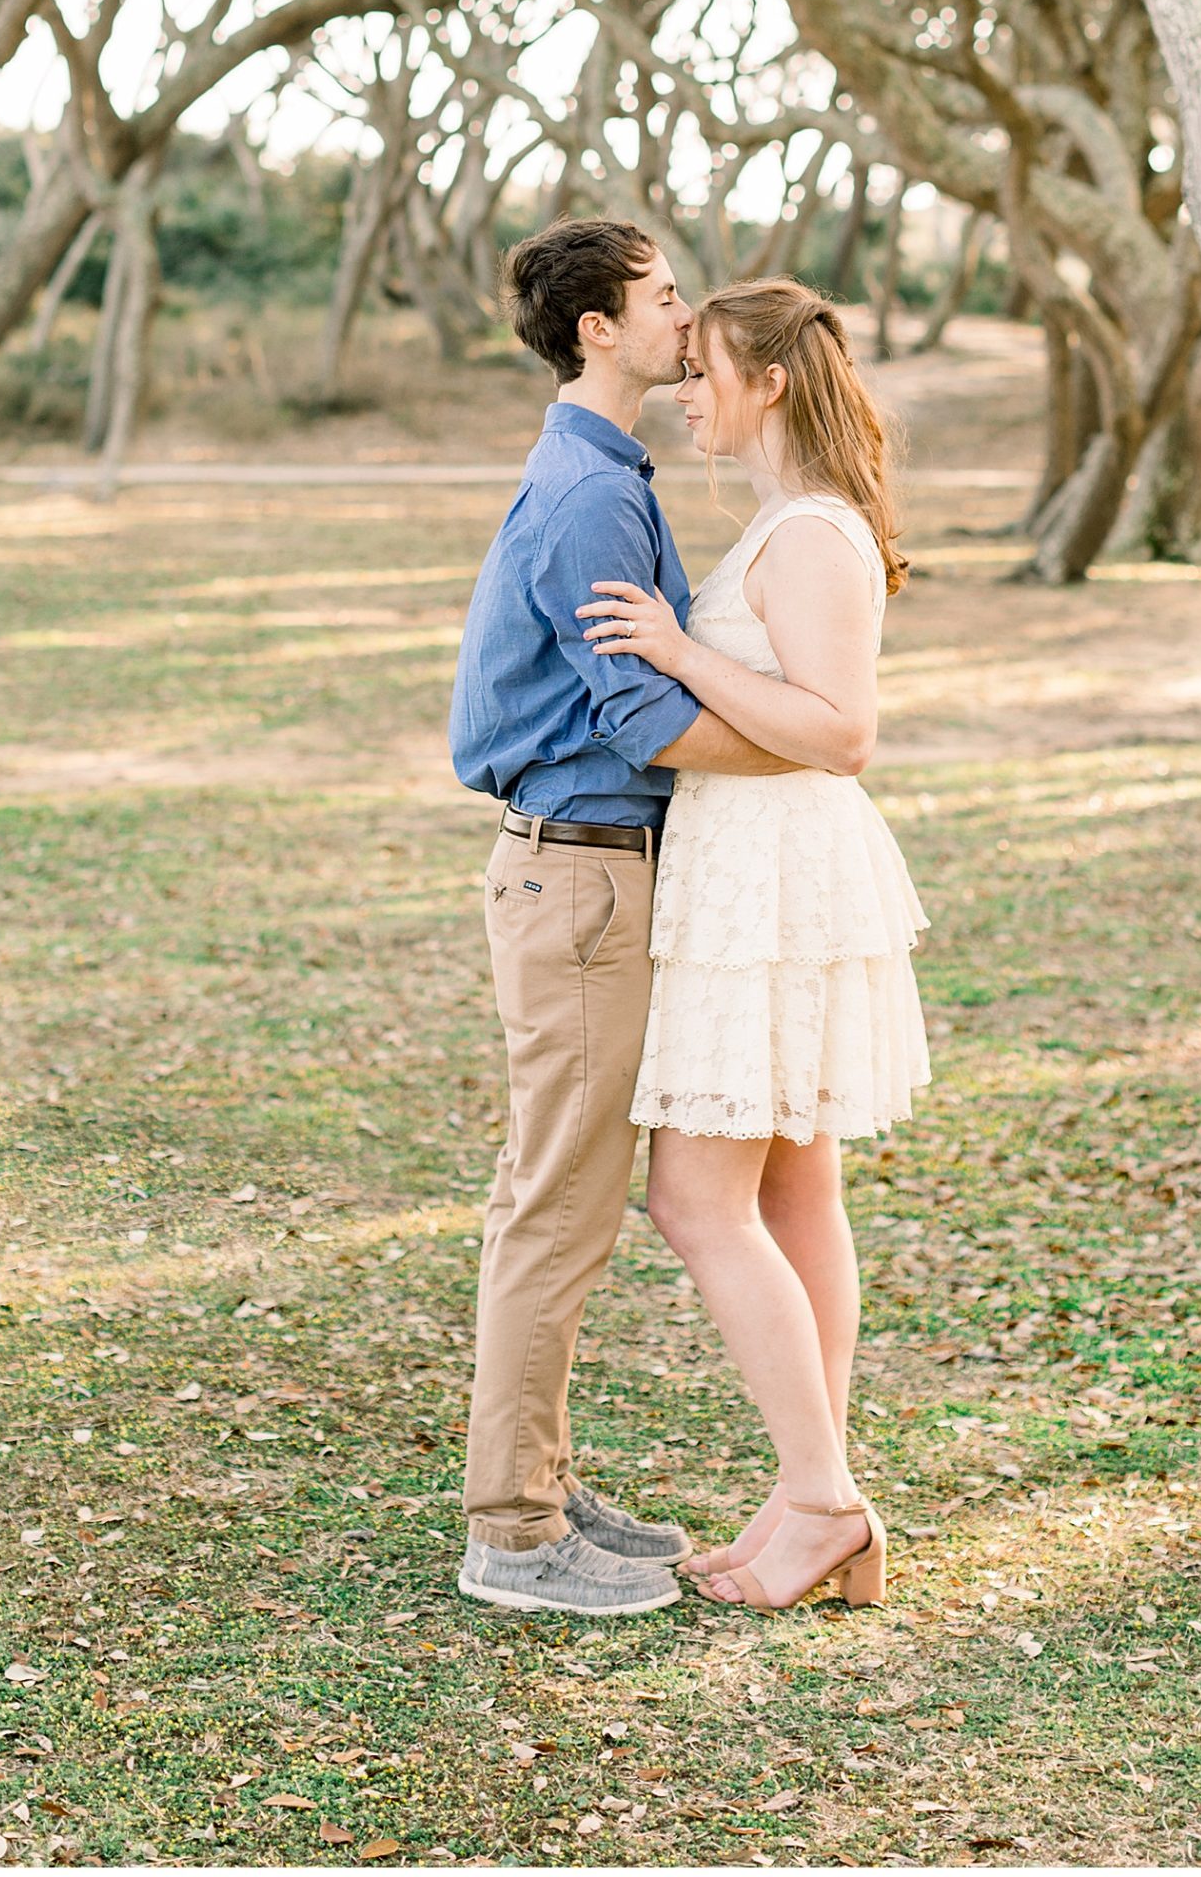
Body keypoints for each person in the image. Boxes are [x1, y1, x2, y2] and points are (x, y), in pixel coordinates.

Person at [448, 218, 802, 1617]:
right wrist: (807, 745)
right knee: (559, 1205)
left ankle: (532, 1480)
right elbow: (644, 719)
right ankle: (513, 1534)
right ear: (597, 329)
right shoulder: (590, 495)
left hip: (588, 877)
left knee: (562, 1195)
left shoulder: (599, 471)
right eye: (662, 300)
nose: (684, 319)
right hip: (582, 877)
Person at [578, 277, 929, 1614]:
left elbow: (839, 730)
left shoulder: (816, 537)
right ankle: (806, 1497)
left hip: (778, 885)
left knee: (696, 1199)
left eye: (703, 367)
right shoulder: (786, 526)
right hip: (752, 871)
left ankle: (826, 1502)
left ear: (768, 379)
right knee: (790, 1194)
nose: (684, 386)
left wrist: (674, 648)